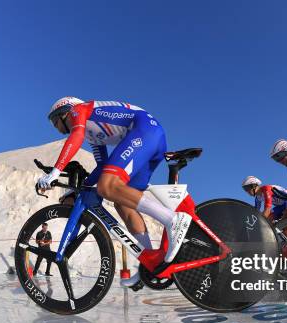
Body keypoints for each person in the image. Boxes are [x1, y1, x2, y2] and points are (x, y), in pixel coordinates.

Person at [37, 97, 191, 287]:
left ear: (64, 112)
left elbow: (75, 137)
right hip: (150, 136)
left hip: (144, 131)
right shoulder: (93, 135)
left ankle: (172, 220)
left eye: (54, 121)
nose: (55, 127)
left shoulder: (79, 111)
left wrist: (55, 171)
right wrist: (85, 184)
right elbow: (102, 165)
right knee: (121, 200)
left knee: (107, 186)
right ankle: (151, 263)